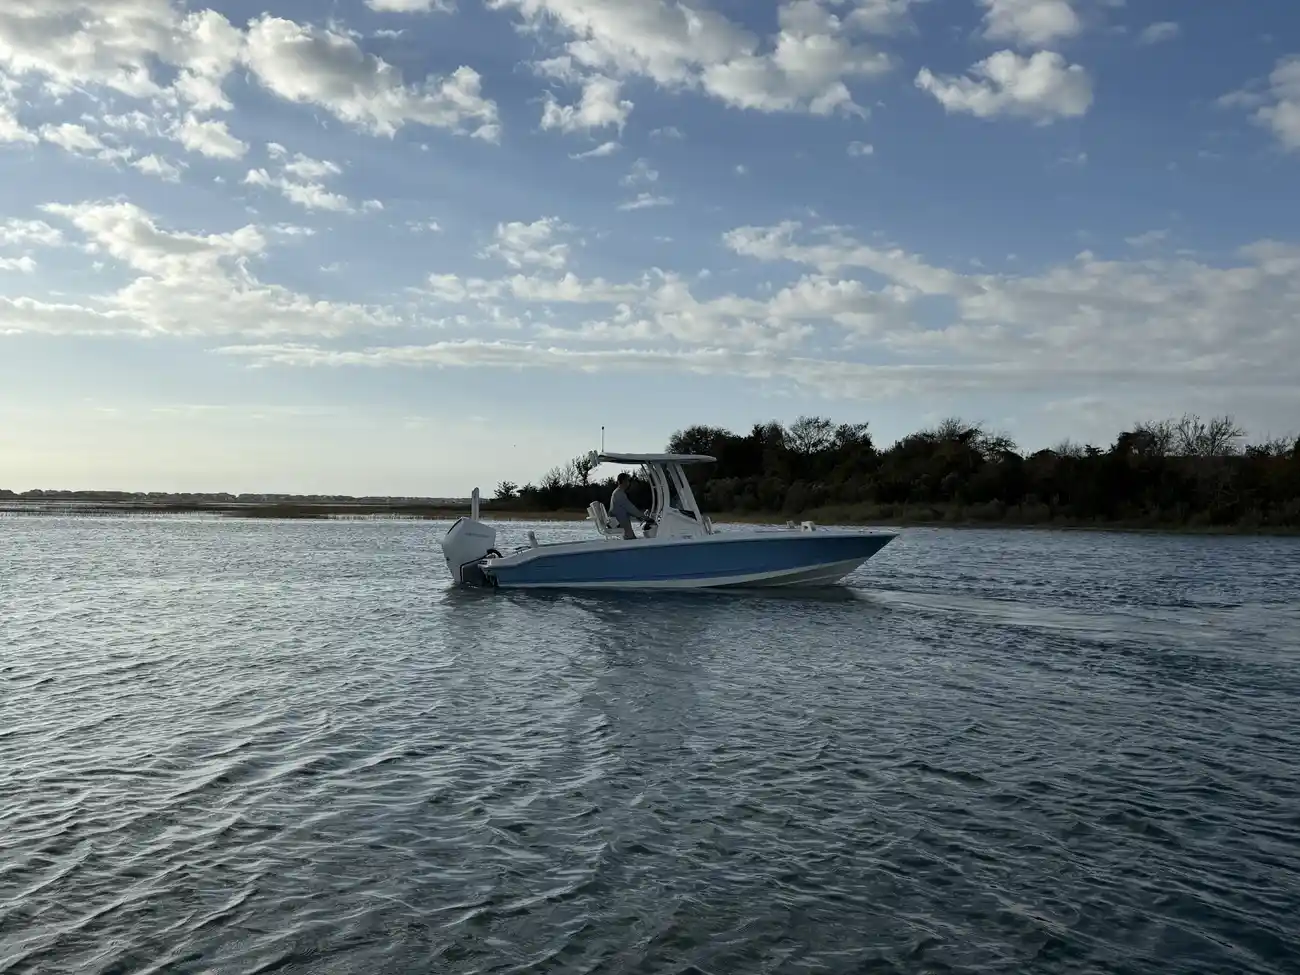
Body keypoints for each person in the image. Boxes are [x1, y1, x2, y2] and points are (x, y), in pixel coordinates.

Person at [609, 472, 648, 539]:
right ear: (624, 481)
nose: (629, 483)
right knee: (631, 537)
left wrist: (638, 516)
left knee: (632, 536)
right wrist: (642, 516)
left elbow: (628, 508)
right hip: (621, 522)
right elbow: (630, 508)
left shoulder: (618, 492)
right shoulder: (619, 494)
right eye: (628, 480)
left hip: (620, 519)